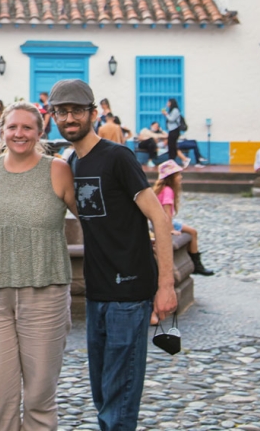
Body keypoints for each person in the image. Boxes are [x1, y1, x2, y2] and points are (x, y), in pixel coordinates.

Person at [49, 79, 176, 431]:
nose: (69, 117)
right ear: (53, 117)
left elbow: (159, 219)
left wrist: (166, 286)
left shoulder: (118, 157)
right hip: (98, 291)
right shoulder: (71, 162)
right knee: (103, 392)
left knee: (119, 398)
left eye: (76, 110)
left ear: (93, 113)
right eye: (62, 111)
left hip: (130, 292)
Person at [0, 101, 77, 431]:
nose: (19, 134)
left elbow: (93, 219)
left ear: (40, 131)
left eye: (27, 127)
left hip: (44, 294)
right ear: (2, 131)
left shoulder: (57, 169)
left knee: (39, 397)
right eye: (12, 127)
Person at [152, 160, 214, 275]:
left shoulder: (162, 189)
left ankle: (195, 263)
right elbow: (167, 213)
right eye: (178, 175)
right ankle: (197, 265)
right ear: (171, 177)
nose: (180, 177)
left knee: (192, 232)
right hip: (165, 222)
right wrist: (170, 229)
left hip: (160, 221)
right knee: (193, 232)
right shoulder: (168, 191)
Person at [162, 98, 183, 167]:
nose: (167, 104)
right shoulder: (172, 110)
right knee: (171, 146)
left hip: (174, 130)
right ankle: (171, 160)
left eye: (168, 103)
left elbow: (171, 119)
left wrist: (166, 114)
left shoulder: (175, 110)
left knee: (172, 145)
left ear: (171, 103)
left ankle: (172, 160)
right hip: (171, 130)